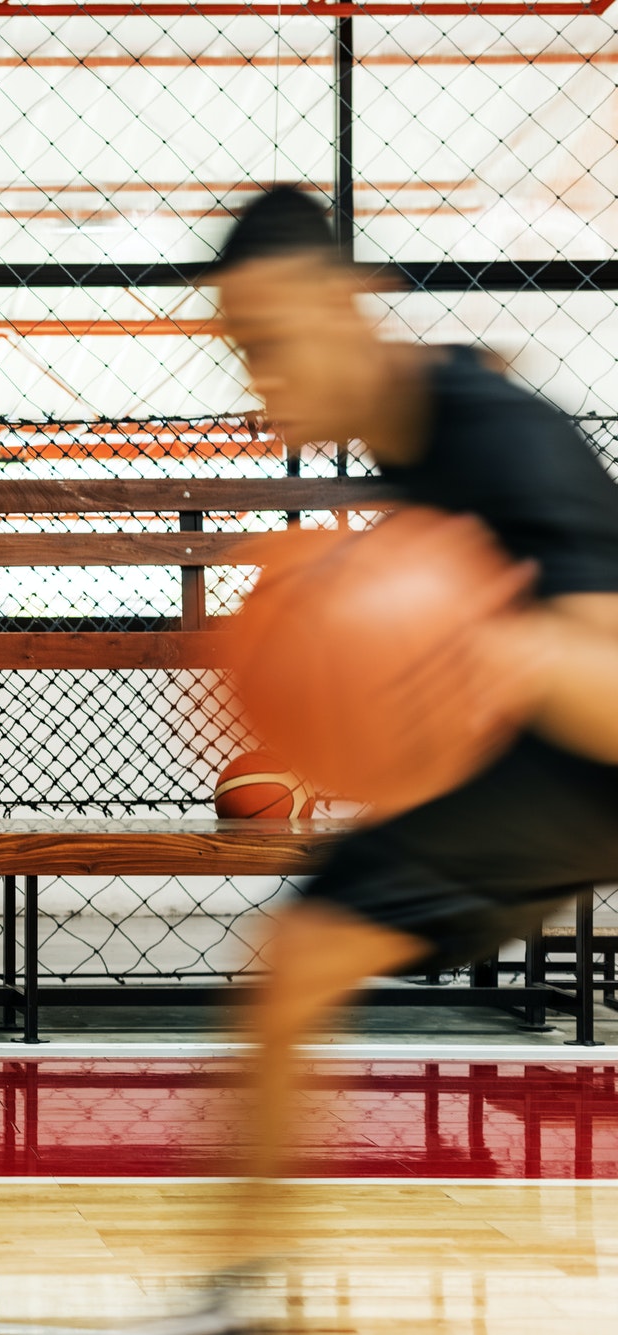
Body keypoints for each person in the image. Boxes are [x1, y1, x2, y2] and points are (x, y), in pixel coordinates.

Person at [156, 184, 618, 1332]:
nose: (256, 379)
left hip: (589, 767)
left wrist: (490, 649)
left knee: (294, 960)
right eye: (238, 352)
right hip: (527, 767)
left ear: (352, 303)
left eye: (267, 342)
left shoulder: (492, 437)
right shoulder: (407, 430)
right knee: (288, 970)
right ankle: (240, 1291)